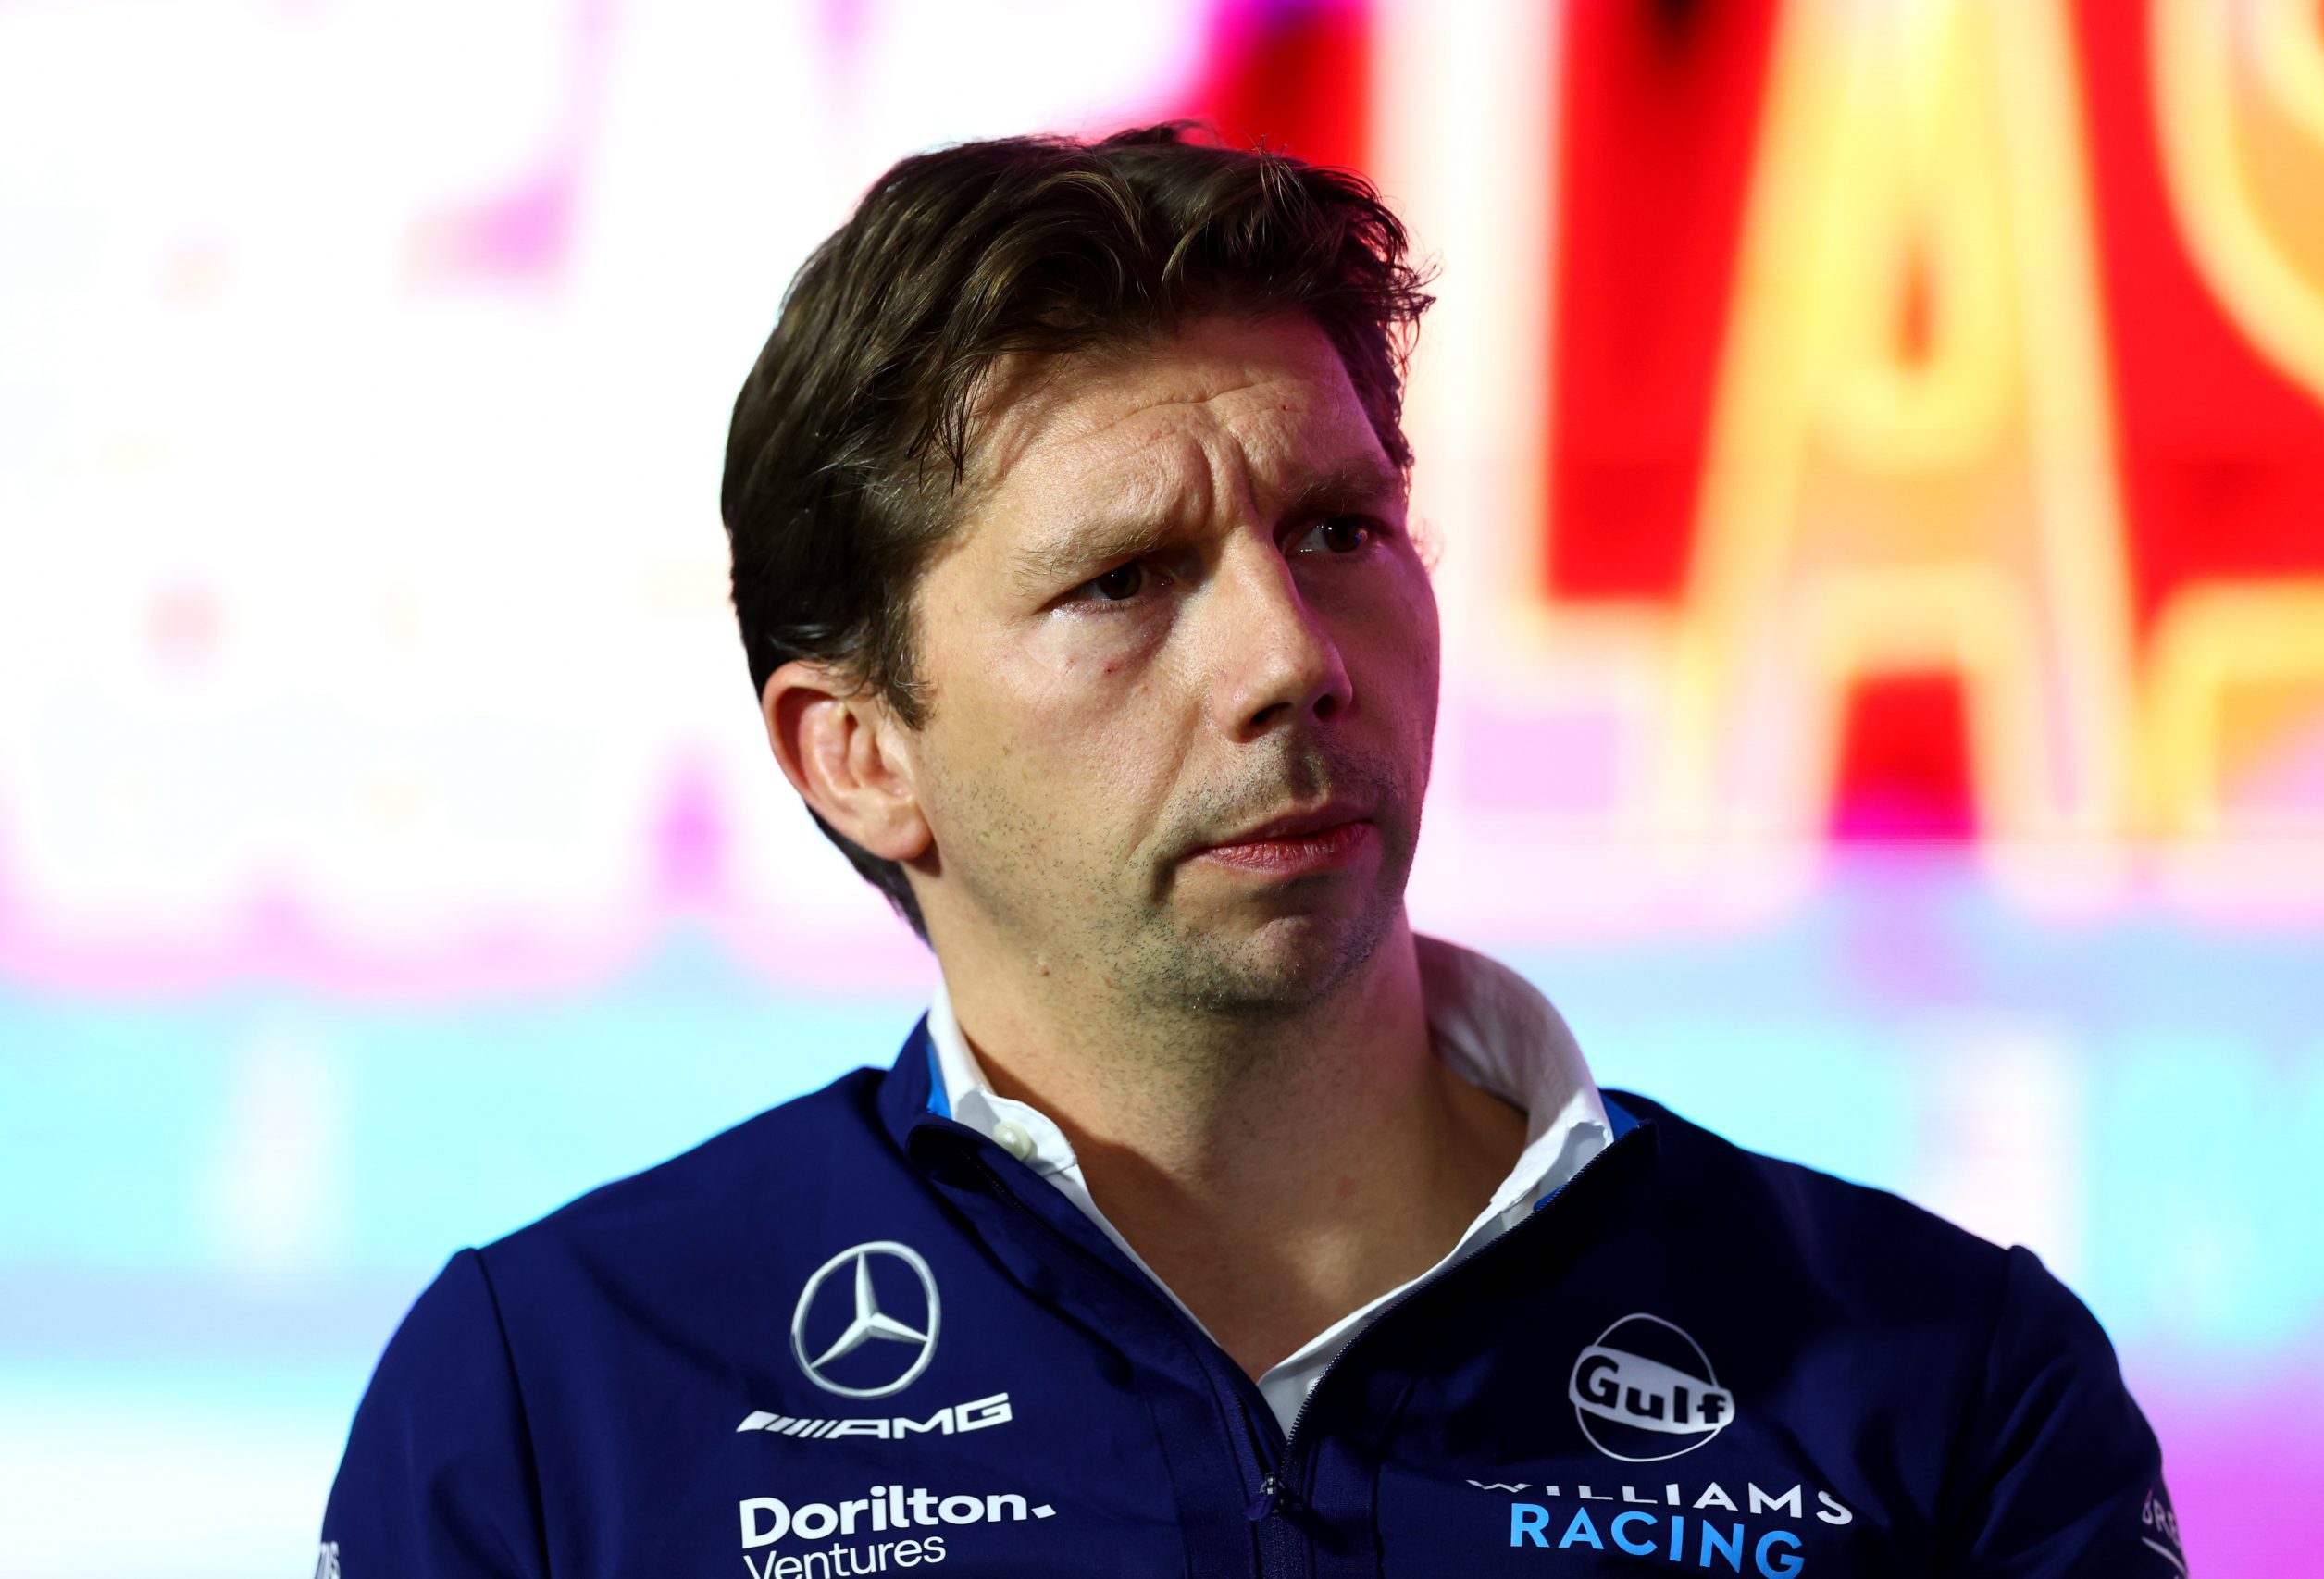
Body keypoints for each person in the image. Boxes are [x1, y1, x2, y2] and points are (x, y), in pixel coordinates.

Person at [318, 123, 2184, 1578]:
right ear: (861, 754)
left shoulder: (1939, 1377)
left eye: (1335, 533)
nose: (1287, 659)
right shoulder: (554, 1401)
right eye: (1121, 582)